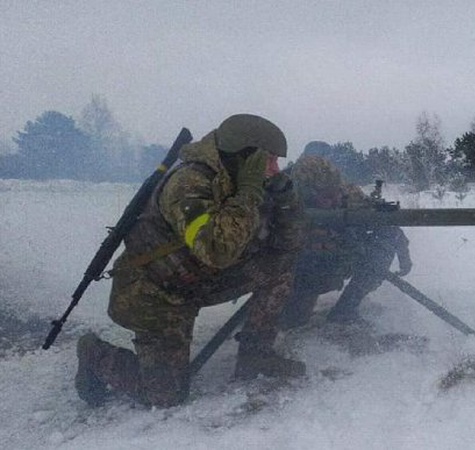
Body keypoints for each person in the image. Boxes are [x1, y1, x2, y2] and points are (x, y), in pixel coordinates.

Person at [75, 114, 306, 408]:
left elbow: (290, 244)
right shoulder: (188, 183)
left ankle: (255, 356)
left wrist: (286, 199)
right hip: (156, 293)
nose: (275, 170)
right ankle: (94, 353)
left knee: (280, 267)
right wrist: (248, 194)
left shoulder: (239, 181)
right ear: (242, 157)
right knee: (164, 395)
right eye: (268, 161)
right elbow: (217, 249)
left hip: (200, 279)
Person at [278, 154, 412, 328]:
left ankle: (346, 310)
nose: (335, 199)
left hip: (333, 263)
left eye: (337, 192)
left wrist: (403, 256)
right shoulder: (284, 200)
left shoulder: (348, 194)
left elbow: (389, 226)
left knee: (381, 246)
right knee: (291, 322)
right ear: (306, 193)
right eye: (326, 196)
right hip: (298, 271)